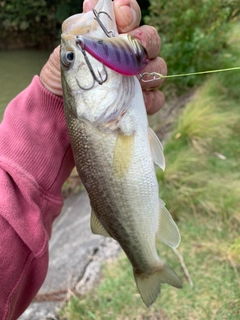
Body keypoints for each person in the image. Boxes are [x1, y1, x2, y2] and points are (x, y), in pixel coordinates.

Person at [0, 0, 167, 319]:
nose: (72, 49)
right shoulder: (98, 110)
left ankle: (146, 262)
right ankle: (148, 265)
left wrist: (49, 102)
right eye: (70, 58)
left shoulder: (94, 109)